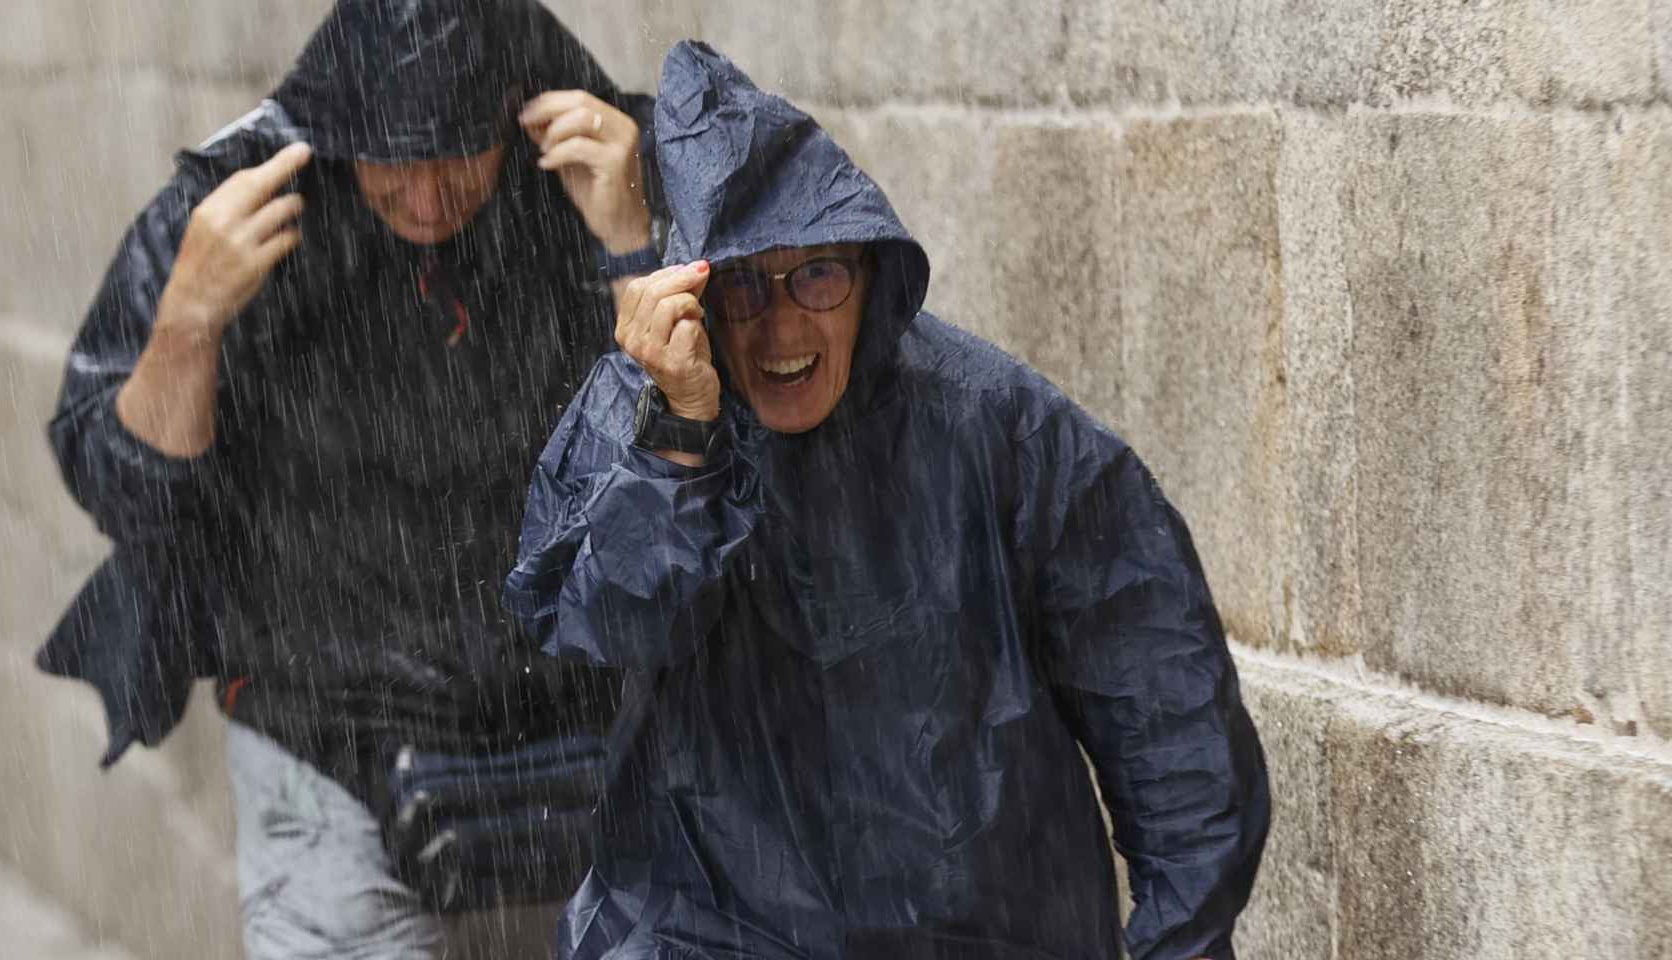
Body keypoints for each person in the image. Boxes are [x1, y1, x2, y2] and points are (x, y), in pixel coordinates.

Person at [505, 42, 1272, 960]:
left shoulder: (1002, 428)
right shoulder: (642, 402)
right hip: (708, 929)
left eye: (817, 276)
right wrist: (681, 440)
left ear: (871, 276)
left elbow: (1166, 713)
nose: (782, 325)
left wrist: (1176, 943)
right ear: (698, 297)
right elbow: (600, 622)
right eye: (743, 286)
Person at [40, 2, 662, 956]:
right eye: (388, 160)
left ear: (511, 109)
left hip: (575, 737)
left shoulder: (600, 164)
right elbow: (122, 494)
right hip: (322, 735)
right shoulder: (236, 198)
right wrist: (188, 324)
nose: (424, 196)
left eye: (457, 152)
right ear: (335, 131)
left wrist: (631, 247)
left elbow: (696, 483)